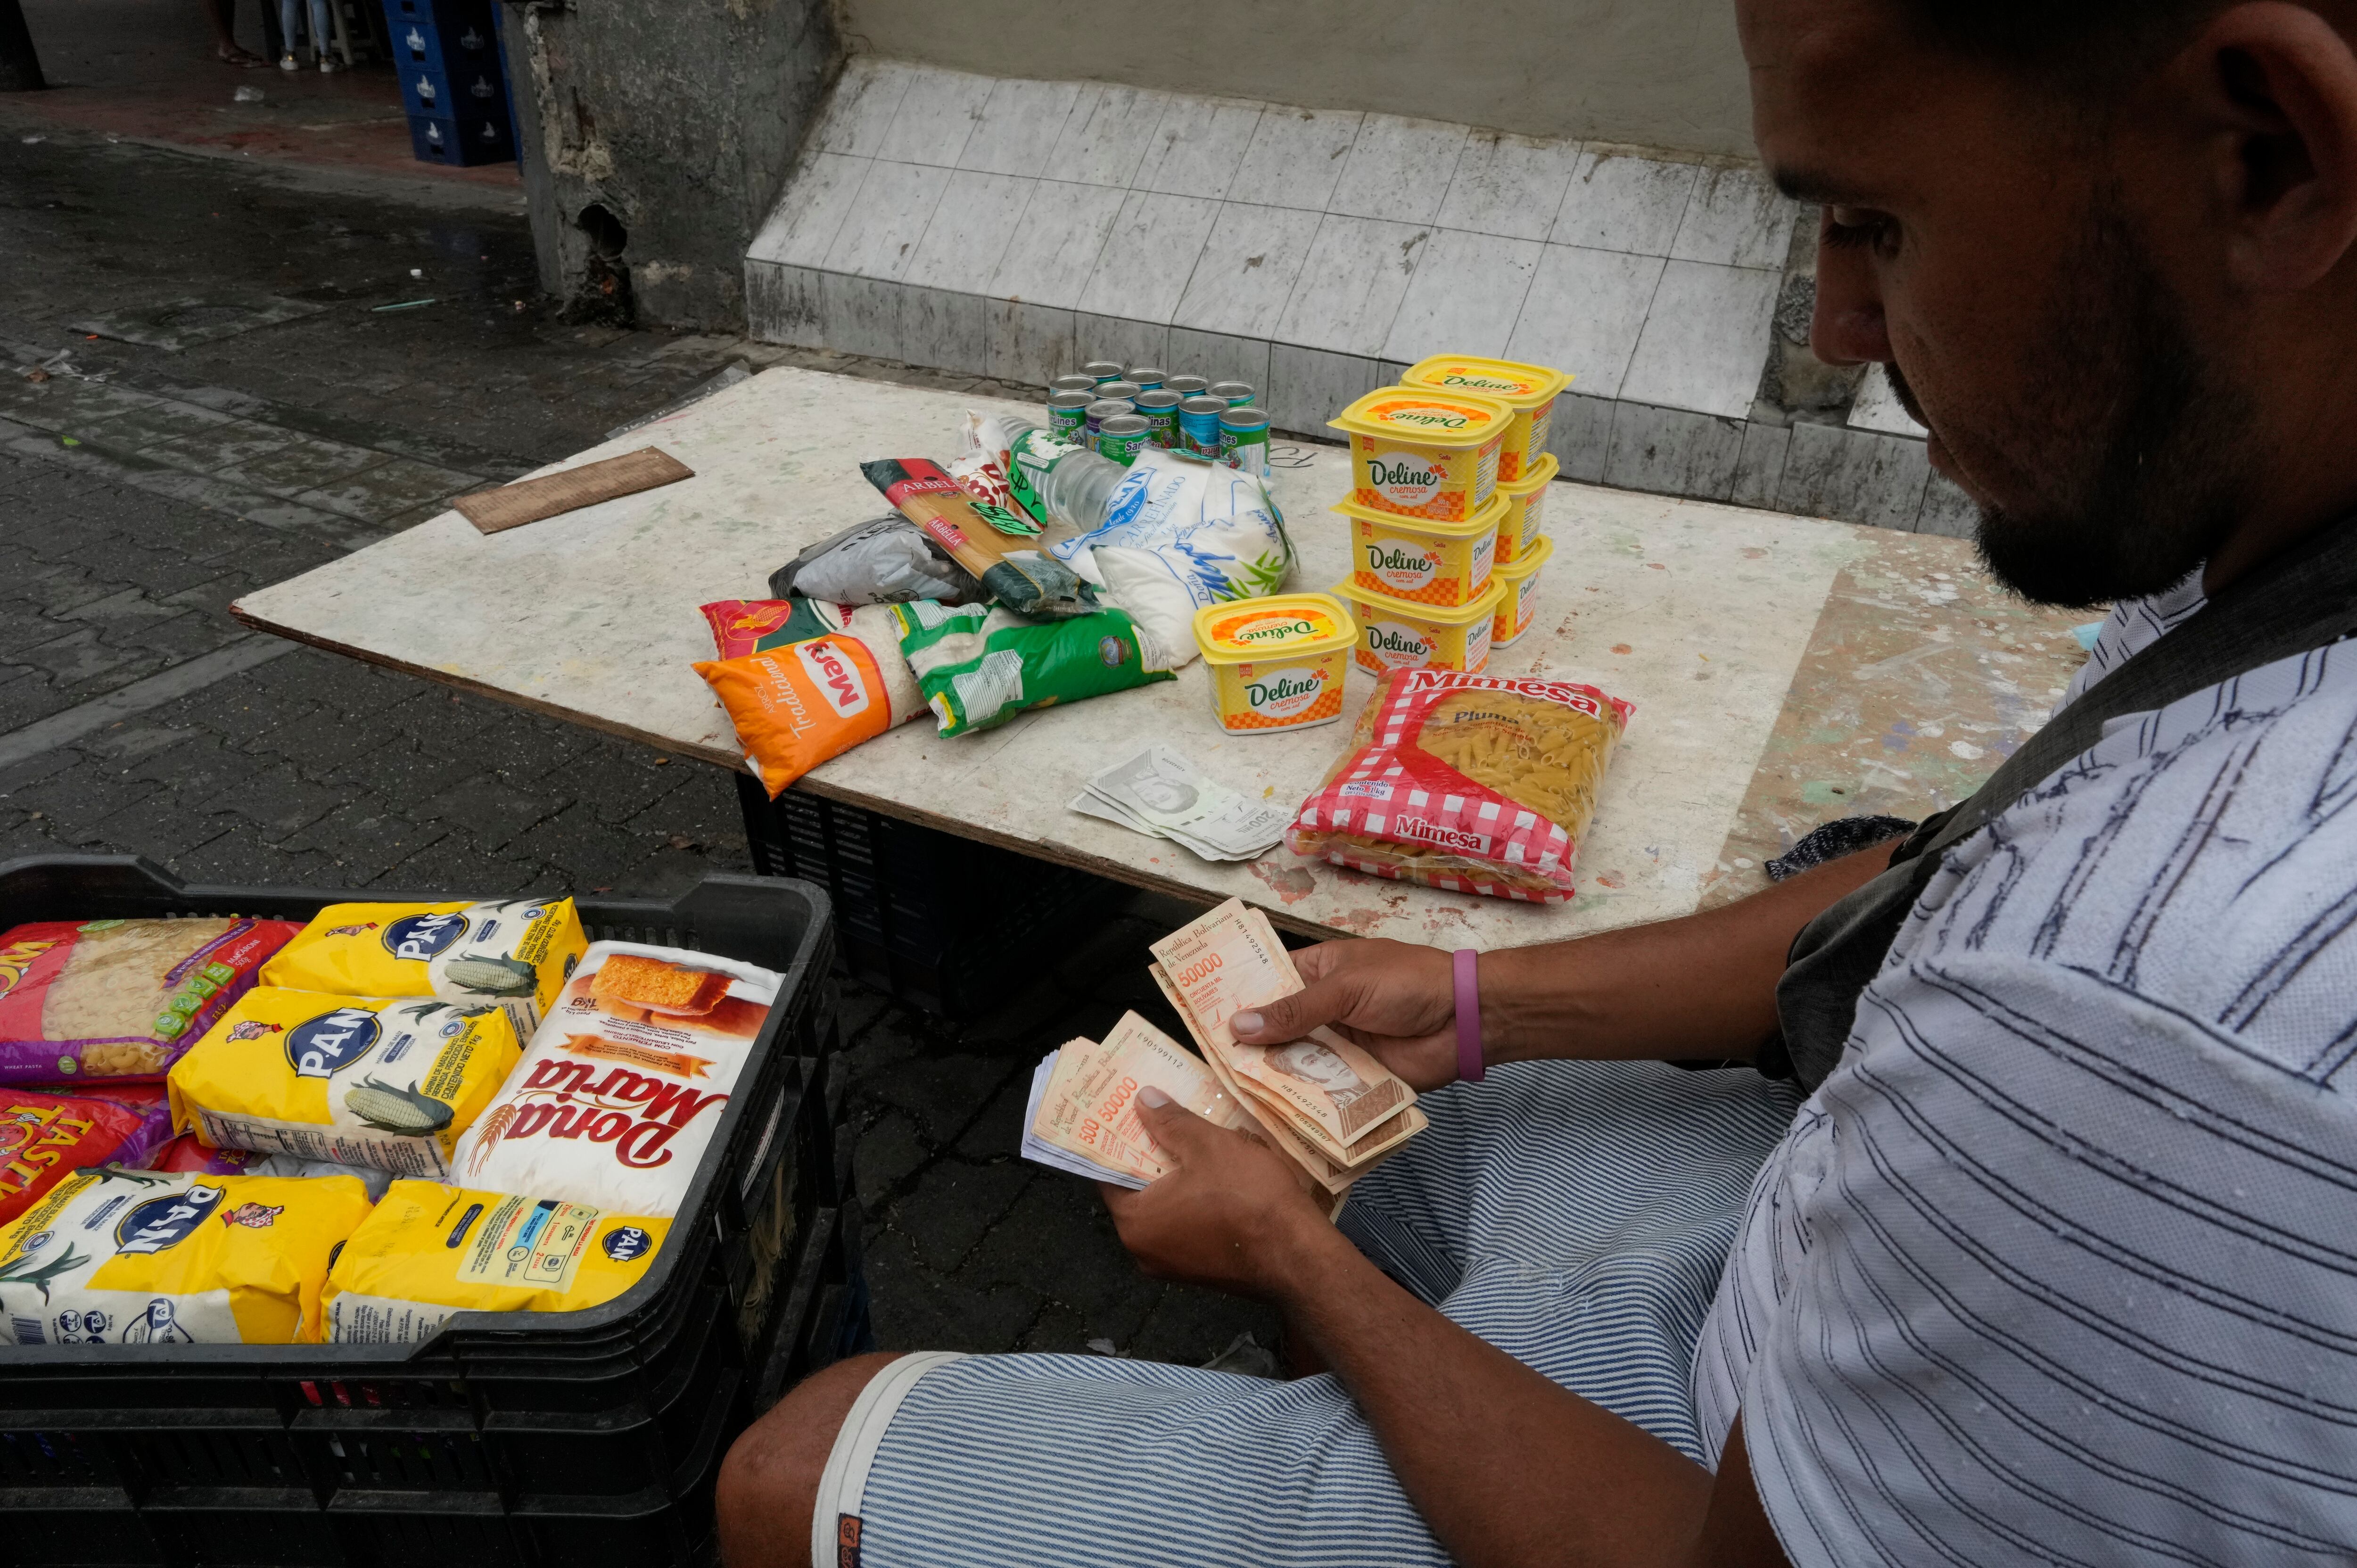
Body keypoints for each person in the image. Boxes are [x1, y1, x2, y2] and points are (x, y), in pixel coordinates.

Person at [717, 0, 2357, 1562]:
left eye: (1877, 220)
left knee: (802, 1470)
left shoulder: (2141, 1017)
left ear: (2270, 161)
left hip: (1719, 1481)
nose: (1835, 328)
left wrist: (1293, 1262)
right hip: (1823, 1245)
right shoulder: (2242, 532)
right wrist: (1478, 995)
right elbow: (1923, 876)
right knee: (1336, 1056)